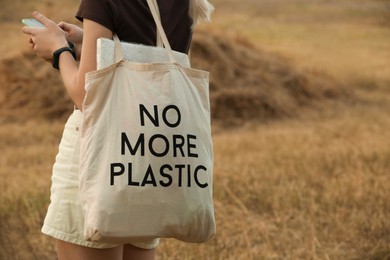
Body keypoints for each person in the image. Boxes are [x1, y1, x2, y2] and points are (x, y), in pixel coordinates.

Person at [22, 0, 213, 259]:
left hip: (101, 151)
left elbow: (86, 96)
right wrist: (90, 41)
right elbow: (150, 57)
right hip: (148, 161)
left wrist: (58, 50)